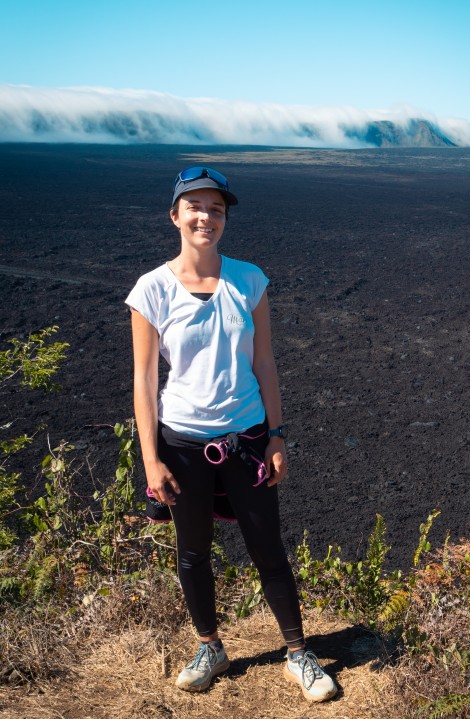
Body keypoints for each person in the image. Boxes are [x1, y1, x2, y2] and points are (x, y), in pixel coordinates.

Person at [126, 166, 337, 702]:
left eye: (216, 209)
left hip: (246, 439)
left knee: (268, 547)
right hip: (181, 443)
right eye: (195, 206)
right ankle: (210, 646)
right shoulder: (151, 290)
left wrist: (277, 435)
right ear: (174, 216)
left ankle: (297, 653)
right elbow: (145, 382)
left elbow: (265, 362)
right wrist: (151, 461)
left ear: (225, 219)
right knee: (192, 550)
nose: (206, 217)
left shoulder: (249, 280)